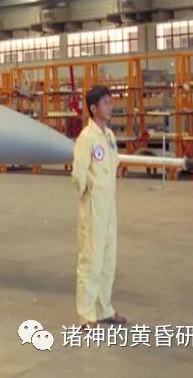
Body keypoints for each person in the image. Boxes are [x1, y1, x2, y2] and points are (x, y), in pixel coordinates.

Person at [71, 85, 126, 329]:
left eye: (110, 102)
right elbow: (79, 175)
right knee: (91, 259)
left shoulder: (109, 136)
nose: (110, 106)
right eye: (105, 102)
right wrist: (89, 197)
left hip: (109, 204)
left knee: (107, 258)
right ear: (93, 108)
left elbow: (113, 165)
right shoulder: (87, 138)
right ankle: (86, 314)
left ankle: (104, 309)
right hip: (94, 206)